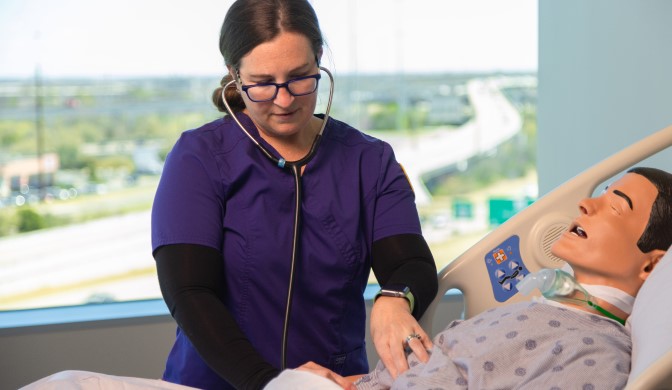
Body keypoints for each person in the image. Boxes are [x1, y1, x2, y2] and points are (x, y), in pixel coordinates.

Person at [150, 1, 438, 389]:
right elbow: (189, 292)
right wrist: (270, 383)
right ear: (234, 74)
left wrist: (395, 297)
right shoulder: (198, 159)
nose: (284, 100)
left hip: (336, 382)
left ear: (319, 60)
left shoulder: (369, 160)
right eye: (263, 82)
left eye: (300, 78)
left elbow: (412, 264)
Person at [271, 166, 672, 389]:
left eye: (615, 206)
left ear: (652, 266)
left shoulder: (597, 354)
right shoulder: (546, 313)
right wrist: (346, 384)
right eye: (598, 195)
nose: (586, 204)